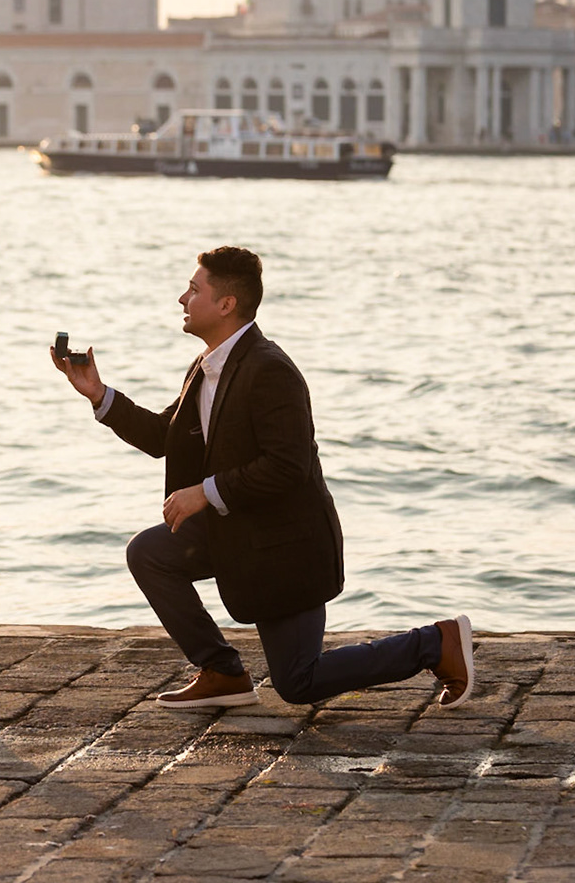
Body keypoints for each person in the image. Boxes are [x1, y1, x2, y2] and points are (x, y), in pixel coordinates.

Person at [51, 246, 474, 709]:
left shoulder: (270, 369)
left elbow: (287, 467)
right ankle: (222, 672)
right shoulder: (207, 367)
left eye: (194, 290)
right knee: (150, 553)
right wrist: (98, 394)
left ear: (226, 304)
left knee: (299, 683)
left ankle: (435, 643)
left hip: (285, 548)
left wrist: (205, 493)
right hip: (240, 532)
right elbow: (164, 437)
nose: (181, 299)